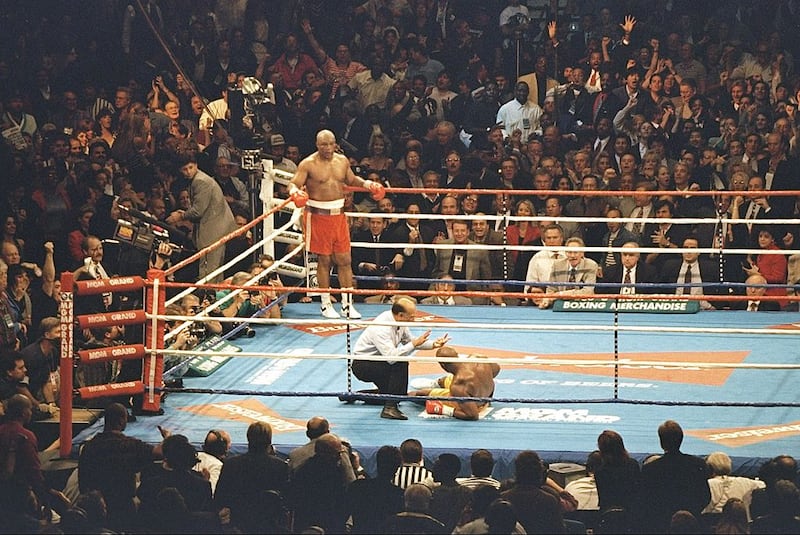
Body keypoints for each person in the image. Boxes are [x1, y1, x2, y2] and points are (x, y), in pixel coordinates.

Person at [289, 129, 386, 319]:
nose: (327, 148)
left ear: (336, 143)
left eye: (331, 143)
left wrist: (368, 185)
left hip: (339, 216)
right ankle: (325, 304)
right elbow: (293, 183)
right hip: (318, 216)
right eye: (323, 144)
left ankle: (347, 305)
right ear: (317, 145)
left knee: (345, 260)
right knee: (324, 260)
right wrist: (295, 192)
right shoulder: (308, 164)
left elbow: (351, 179)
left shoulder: (342, 161)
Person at [352, 297, 450, 420]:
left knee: (395, 394)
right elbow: (392, 358)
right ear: (400, 315)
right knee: (400, 363)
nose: (413, 319)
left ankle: (352, 396)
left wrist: (433, 344)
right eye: (411, 316)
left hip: (379, 361)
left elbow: (410, 341)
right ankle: (389, 408)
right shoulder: (381, 328)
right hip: (363, 365)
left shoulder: (399, 321)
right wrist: (414, 344)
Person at [77, 403, 170, 531]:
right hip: (122, 506)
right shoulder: (130, 445)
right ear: (121, 421)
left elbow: (83, 482)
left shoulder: (89, 447)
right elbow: (160, 452)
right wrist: (167, 438)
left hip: (95, 507)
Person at [165, 152, 238, 282]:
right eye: (185, 169)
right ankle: (210, 296)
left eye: (190, 167)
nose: (188, 172)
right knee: (212, 270)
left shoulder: (200, 181)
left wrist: (180, 216)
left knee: (209, 271)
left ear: (196, 165)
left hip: (214, 231)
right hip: (215, 229)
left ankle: (208, 298)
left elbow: (198, 211)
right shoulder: (198, 180)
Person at [214, 421, 289, 533]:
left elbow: (219, 497)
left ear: (248, 438)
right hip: (269, 522)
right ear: (269, 441)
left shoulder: (232, 464)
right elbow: (286, 499)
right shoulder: (280, 466)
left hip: (239, 521)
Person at [639, 420, 711, 533]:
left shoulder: (650, 469)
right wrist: (691, 513)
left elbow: (645, 500)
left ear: (661, 443)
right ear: (681, 439)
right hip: (690, 523)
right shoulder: (697, 464)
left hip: (660, 524)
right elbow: (705, 496)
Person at [410, 346, 499, 421]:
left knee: (419, 394)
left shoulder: (457, 385)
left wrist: (443, 410)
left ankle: (399, 396)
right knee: (449, 379)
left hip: (475, 404)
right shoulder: (478, 357)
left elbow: (473, 415)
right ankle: (438, 383)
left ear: (443, 365)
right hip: (485, 396)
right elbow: (496, 369)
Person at [346, 444, 404, 534]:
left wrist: (358, 469)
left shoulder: (358, 487)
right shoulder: (398, 494)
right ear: (397, 468)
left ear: (377, 463)